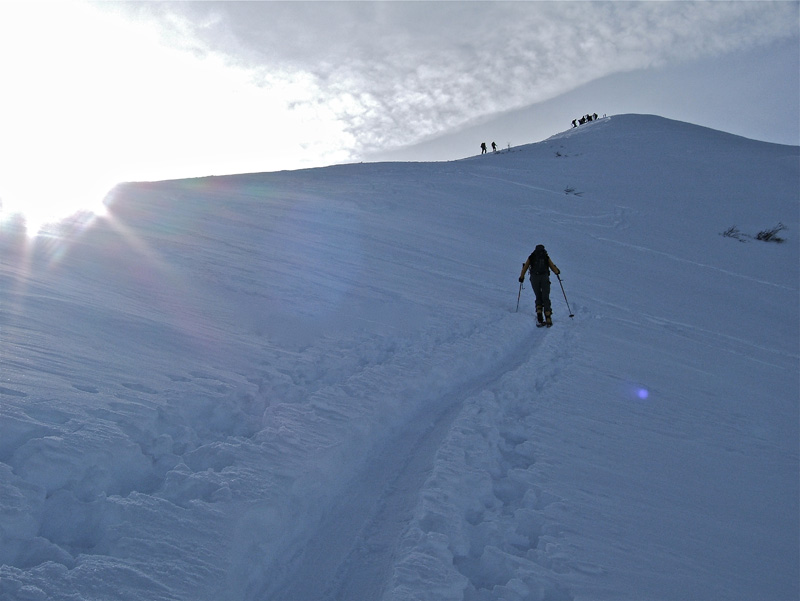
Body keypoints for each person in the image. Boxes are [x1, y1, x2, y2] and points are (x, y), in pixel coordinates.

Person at [519, 244, 560, 326]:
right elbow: (552, 266)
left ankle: (539, 314)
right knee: (545, 297)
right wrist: (557, 272)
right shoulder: (545, 256)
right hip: (544, 277)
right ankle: (548, 317)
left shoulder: (532, 256)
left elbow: (525, 267)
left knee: (538, 295)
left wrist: (522, 277)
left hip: (534, 278)